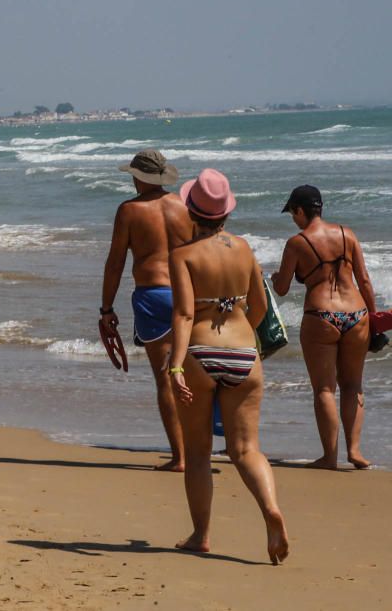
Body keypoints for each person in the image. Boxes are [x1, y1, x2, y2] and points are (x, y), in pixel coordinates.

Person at [167, 168, 288, 564]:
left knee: (199, 452)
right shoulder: (245, 248)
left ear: (191, 210)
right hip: (244, 353)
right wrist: (242, 339)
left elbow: (184, 315)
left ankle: (201, 535)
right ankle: (270, 508)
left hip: (200, 352)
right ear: (226, 212)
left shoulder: (182, 254)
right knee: (246, 448)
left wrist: (175, 366)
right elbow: (260, 307)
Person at [272, 185, 376, 470]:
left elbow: (281, 289)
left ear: (301, 210)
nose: (293, 219)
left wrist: (274, 277)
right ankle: (355, 451)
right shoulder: (347, 234)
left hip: (321, 316)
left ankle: (329, 457)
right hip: (357, 314)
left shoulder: (297, 243)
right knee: (353, 384)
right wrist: (374, 318)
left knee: (324, 389)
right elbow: (364, 281)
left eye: (293, 213)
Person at [101, 149, 191, 471]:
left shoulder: (129, 210)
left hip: (153, 296)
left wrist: (106, 308)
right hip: (188, 294)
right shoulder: (184, 205)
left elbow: (116, 263)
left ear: (140, 178)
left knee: (166, 378)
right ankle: (201, 448)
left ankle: (180, 457)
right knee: (191, 373)